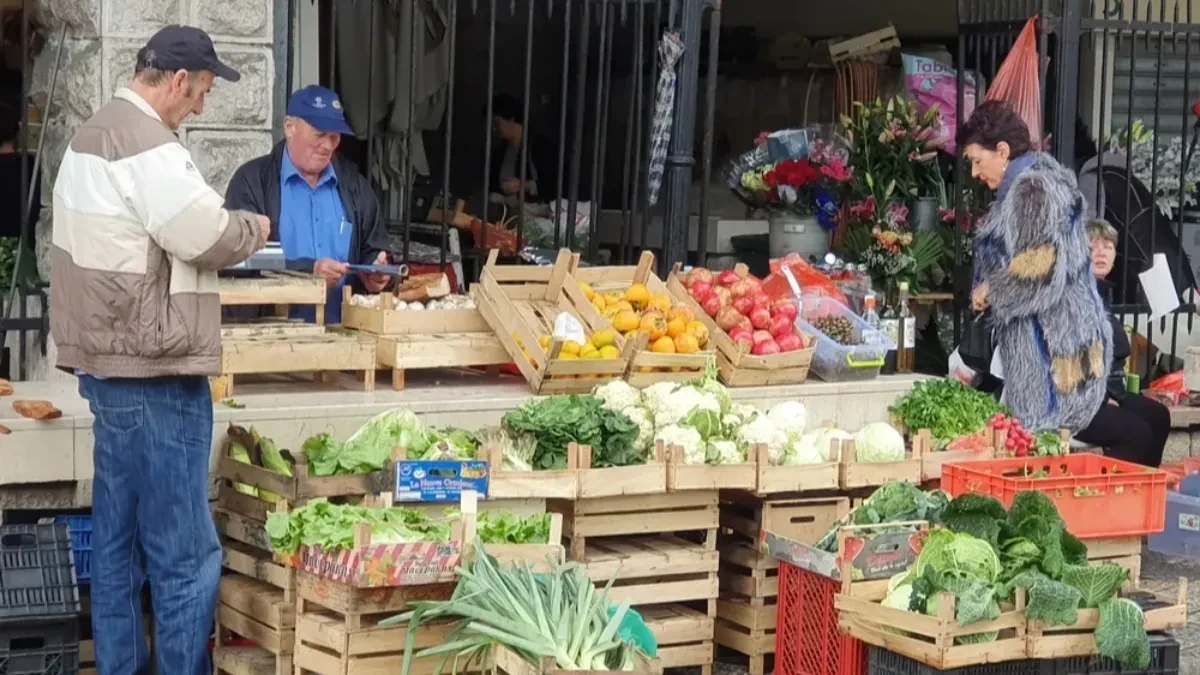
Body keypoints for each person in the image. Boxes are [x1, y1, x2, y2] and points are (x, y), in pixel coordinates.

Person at [48, 25, 269, 675]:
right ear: (176, 81)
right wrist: (253, 226)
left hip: (107, 366)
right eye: (201, 92)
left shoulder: (90, 134)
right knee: (185, 556)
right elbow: (205, 234)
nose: (200, 106)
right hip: (156, 370)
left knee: (118, 546)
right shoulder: (149, 144)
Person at [962, 100, 1112, 433]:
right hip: (1067, 341)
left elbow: (1038, 274)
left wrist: (991, 289)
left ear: (1002, 151)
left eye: (976, 160)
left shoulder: (1032, 190)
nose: (973, 172)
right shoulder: (1041, 180)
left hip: (1051, 355)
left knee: (1043, 442)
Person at [225, 85, 392, 324]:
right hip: (269, 334)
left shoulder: (354, 184)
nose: (328, 145)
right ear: (289, 127)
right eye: (319, 133)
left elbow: (373, 247)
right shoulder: (252, 181)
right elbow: (239, 257)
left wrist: (376, 271)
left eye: (334, 136)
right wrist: (308, 271)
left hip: (342, 333)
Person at [1073, 219, 1171, 466]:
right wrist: (1101, 398)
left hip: (1107, 391)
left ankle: (1146, 484)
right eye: (1093, 246)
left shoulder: (1099, 295)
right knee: (1137, 433)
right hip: (1075, 400)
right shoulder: (1076, 297)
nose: (1101, 252)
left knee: (1158, 416)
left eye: (1108, 246)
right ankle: (1113, 487)